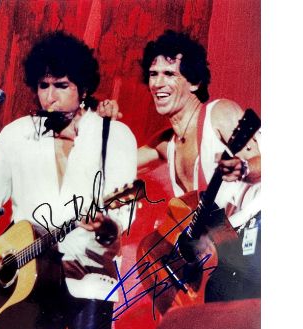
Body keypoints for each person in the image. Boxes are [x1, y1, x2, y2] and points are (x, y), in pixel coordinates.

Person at [0, 31, 137, 329]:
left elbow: (122, 215)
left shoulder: (114, 136)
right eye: (43, 86)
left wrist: (105, 226)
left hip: (90, 278)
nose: (50, 97)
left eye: (61, 85)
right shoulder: (16, 135)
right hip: (29, 285)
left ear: (83, 88)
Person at [104, 30, 261, 300]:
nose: (157, 83)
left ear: (195, 82)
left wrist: (244, 169)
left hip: (257, 230)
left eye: (169, 74)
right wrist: (102, 126)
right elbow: (112, 162)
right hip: (224, 253)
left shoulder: (219, 114)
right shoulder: (167, 144)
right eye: (153, 74)